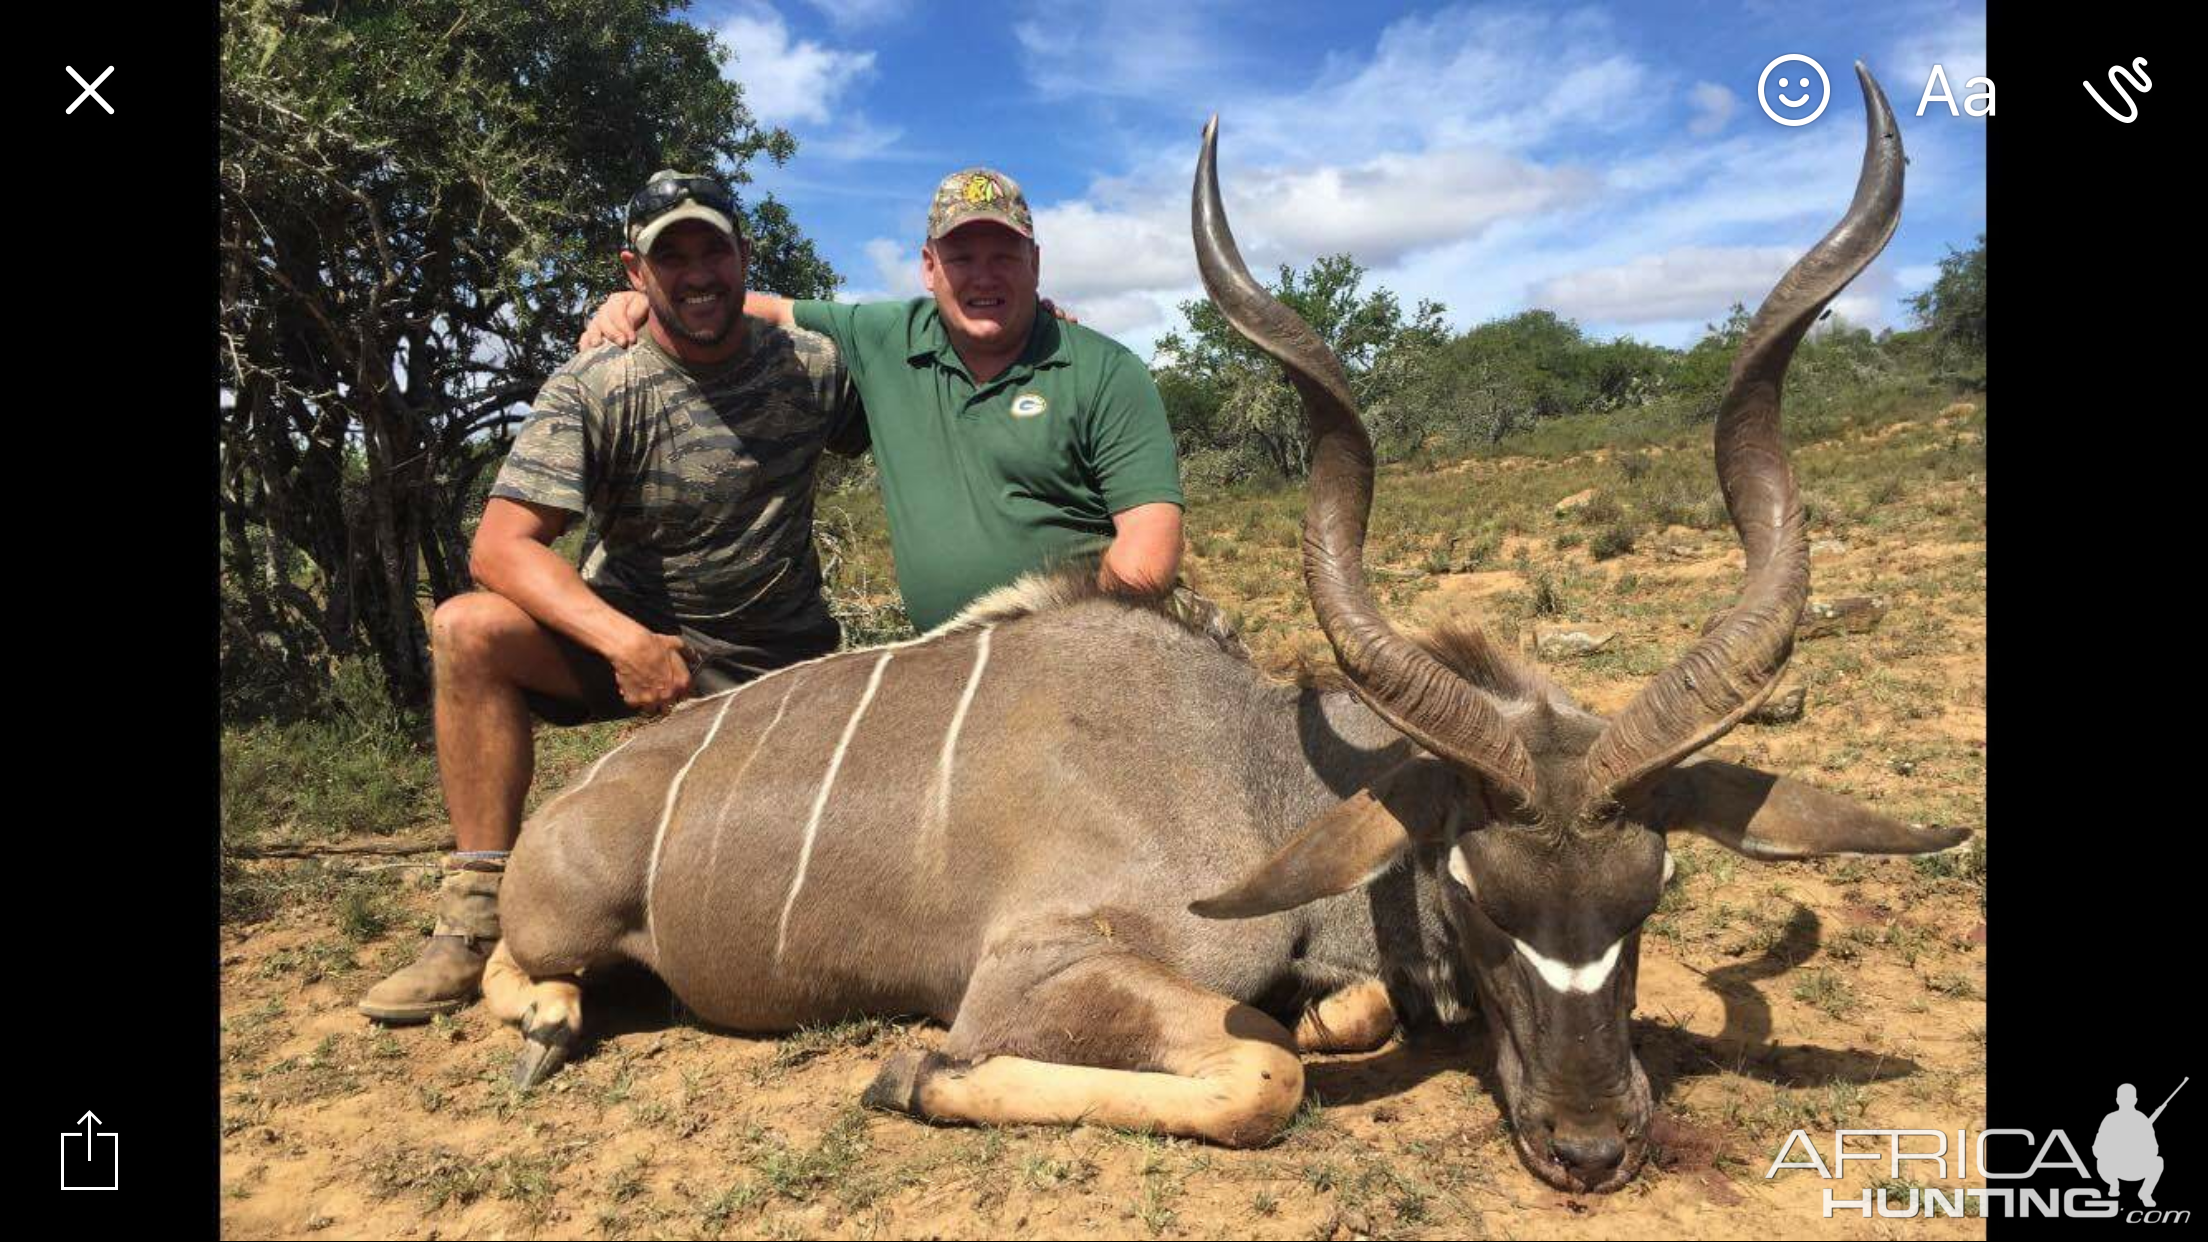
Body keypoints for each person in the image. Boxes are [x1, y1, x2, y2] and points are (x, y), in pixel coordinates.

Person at [358, 171, 866, 1023]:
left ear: (745, 259)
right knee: (468, 628)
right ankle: (476, 914)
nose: (698, 273)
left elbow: (932, 389)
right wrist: (625, 641)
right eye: (673, 257)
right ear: (636, 273)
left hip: (783, 668)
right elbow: (499, 547)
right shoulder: (598, 383)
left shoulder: (810, 366)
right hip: (630, 648)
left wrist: (1040, 332)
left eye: (714, 250)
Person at [583, 167, 1186, 632]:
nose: (983, 276)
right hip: (942, 668)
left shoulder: (1106, 368)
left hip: (1084, 644)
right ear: (929, 267)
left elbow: (1148, 558)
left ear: (1035, 263)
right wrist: (643, 303)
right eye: (961, 256)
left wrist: (1049, 649)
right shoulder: (883, 335)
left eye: (1004, 255)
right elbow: (758, 305)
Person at [2094, 1082, 2165, 1206]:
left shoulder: (2142, 1119)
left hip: (2137, 1167)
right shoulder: (2110, 1119)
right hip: (2115, 1167)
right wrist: (2116, 1150)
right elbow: (2097, 1149)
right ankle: (2113, 1184)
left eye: (2129, 1098)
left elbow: (2154, 1150)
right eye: (2123, 1097)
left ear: (2135, 1100)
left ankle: (2145, 1194)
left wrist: (2138, 1147)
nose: (2126, 1100)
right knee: (2100, 1161)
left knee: (2158, 1161)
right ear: (2117, 1100)